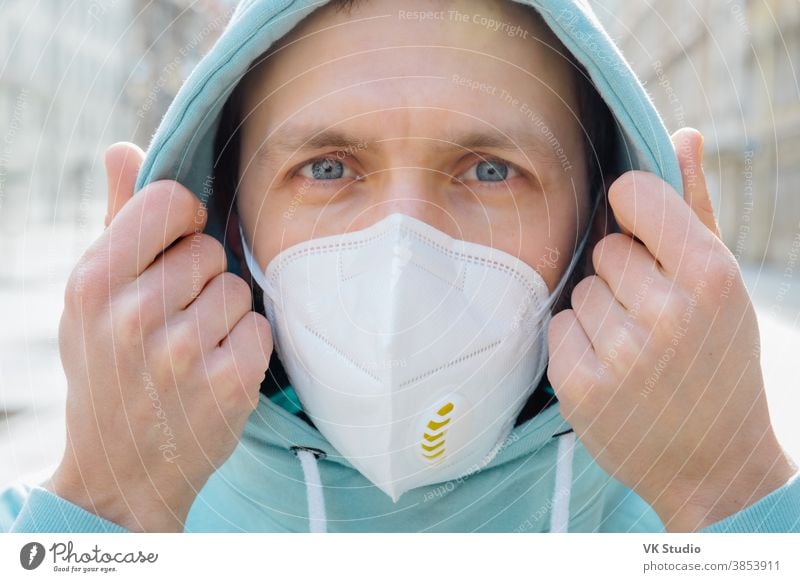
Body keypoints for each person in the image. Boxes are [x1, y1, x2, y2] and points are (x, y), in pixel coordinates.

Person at [2, 0, 798, 533]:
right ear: (227, 226)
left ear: (603, 228)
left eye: (490, 169)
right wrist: (111, 503)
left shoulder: (727, 507)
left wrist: (725, 490)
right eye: (326, 168)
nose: (402, 253)